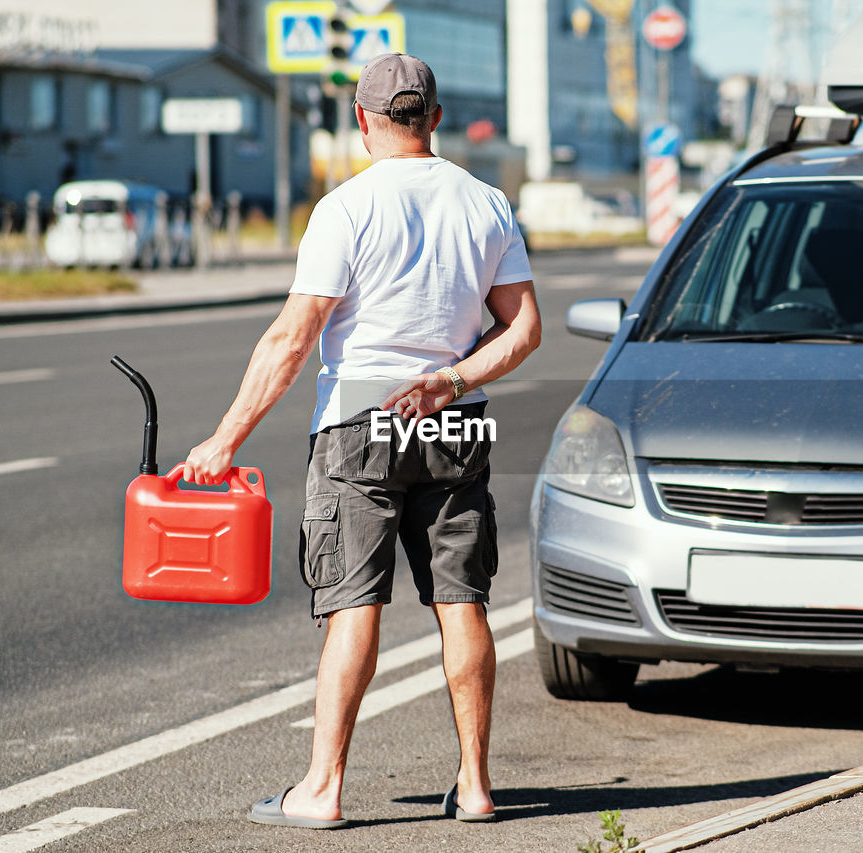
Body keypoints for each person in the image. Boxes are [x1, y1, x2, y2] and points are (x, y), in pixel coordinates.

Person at [181, 53, 540, 828]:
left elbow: (290, 338)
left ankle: (323, 788)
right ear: (435, 118)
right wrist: (451, 377)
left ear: (361, 120)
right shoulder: (487, 204)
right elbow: (524, 330)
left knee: (354, 605)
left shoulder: (345, 209)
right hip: (454, 418)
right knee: (462, 601)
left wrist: (225, 437)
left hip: (357, 424)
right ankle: (475, 785)